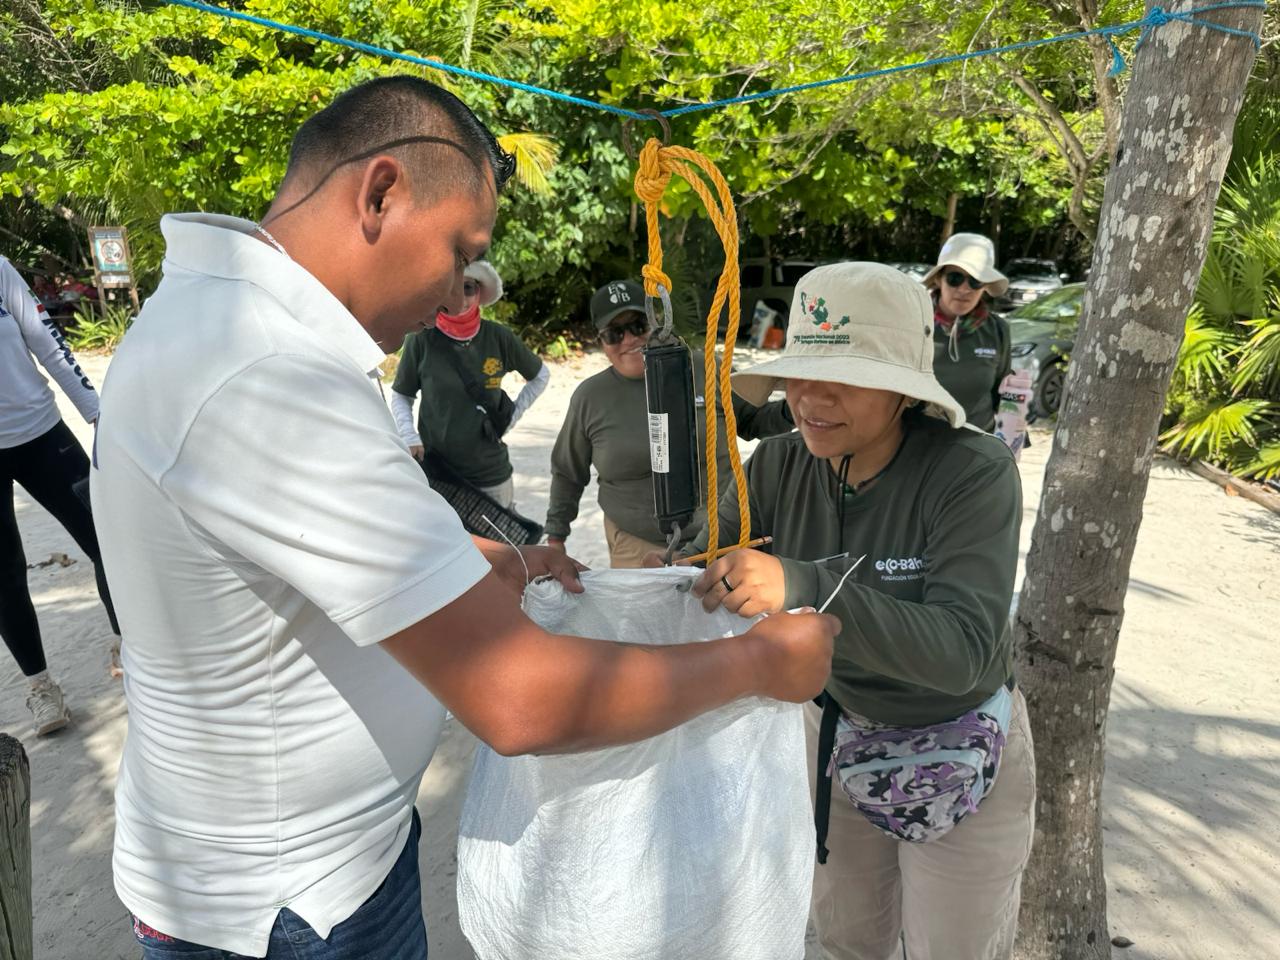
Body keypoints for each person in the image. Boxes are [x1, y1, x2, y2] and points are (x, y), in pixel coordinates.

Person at [92, 75, 837, 960]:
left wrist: (485, 562)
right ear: (380, 194)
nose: (458, 289)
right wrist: (758, 663)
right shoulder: (265, 378)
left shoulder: (218, 324)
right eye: (460, 251)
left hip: (303, 866)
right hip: (292, 907)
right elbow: (519, 698)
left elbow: (292, 563)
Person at [681, 263, 1035, 960]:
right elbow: (701, 560)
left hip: (962, 741)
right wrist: (637, 582)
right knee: (846, 940)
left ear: (904, 389)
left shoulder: (973, 472)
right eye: (800, 374)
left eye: (845, 376)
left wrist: (805, 583)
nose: (811, 398)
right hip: (836, 738)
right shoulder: (778, 465)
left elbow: (964, 649)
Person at [545, 279, 794, 567]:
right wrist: (556, 538)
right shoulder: (590, 397)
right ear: (601, 342)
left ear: (656, 323)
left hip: (721, 536)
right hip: (638, 545)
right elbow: (568, 472)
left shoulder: (705, 368)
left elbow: (754, 420)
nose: (629, 339)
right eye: (614, 333)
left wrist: (796, 406)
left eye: (638, 325)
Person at [0, 254, 121, 737]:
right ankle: (41, 687)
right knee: (4, 575)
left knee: (106, 536)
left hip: (42, 434)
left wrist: (97, 413)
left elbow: (47, 340)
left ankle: (131, 647)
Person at [390, 259, 547, 508]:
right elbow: (402, 394)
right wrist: (409, 435)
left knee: (499, 535)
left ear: (480, 293)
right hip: (438, 474)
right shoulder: (422, 338)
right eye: (452, 287)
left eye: (468, 288)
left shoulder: (499, 337)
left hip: (490, 475)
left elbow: (540, 376)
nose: (460, 298)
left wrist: (512, 417)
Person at [921, 232, 1012, 432]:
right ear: (939, 279)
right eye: (955, 278)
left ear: (985, 286)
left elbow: (1005, 394)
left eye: (975, 281)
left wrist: (1012, 437)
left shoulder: (998, 330)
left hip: (978, 444)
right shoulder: (915, 323)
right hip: (919, 442)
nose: (964, 289)